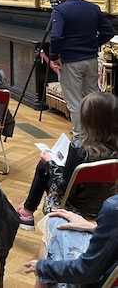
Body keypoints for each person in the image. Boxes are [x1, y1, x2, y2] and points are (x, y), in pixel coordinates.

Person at [16, 91, 118, 230]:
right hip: (110, 204)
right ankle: (27, 211)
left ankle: (27, 213)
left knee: (44, 165)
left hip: (77, 206)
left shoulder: (80, 147)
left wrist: (50, 162)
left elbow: (64, 186)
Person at [49, 0, 115, 138]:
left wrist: (54, 55)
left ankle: (80, 138)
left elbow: (56, 37)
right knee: (93, 100)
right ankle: (98, 135)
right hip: (91, 61)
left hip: (70, 62)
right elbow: (109, 32)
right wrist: (93, 44)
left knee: (75, 102)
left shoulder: (60, 10)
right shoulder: (93, 8)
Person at [24, 193, 118, 288]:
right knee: (56, 221)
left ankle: (27, 210)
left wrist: (43, 268)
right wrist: (94, 227)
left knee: (53, 226)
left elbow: (86, 272)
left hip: (102, 280)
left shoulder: (114, 207)